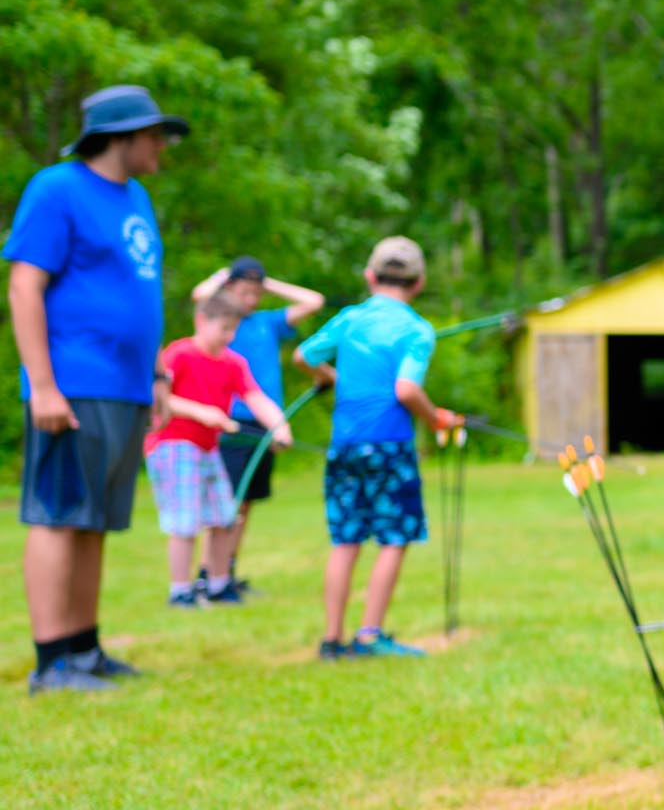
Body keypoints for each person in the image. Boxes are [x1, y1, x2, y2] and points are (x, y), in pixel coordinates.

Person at [5, 84, 191, 694]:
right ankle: (51, 661)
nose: (162, 146)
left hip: (127, 389)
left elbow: (141, 298)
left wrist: (159, 375)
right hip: (74, 385)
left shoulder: (136, 198)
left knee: (94, 521)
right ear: (124, 136)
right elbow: (24, 286)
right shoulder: (57, 188)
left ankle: (84, 651)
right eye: (156, 134)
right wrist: (43, 386)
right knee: (59, 517)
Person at [294, 236, 461, 661]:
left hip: (345, 446)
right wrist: (437, 418)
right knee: (392, 538)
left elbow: (303, 356)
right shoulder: (416, 329)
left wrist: (331, 377)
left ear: (370, 277)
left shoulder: (350, 320)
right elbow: (406, 390)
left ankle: (332, 640)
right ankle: (369, 636)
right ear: (418, 283)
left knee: (346, 539)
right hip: (389, 447)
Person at [189, 256, 326, 599]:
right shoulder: (223, 324)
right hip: (230, 419)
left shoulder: (268, 322)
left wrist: (267, 283)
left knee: (246, 501)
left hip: (266, 420)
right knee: (227, 501)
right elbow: (198, 296)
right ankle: (208, 574)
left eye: (256, 293)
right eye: (244, 291)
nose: (251, 300)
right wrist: (224, 276)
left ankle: (227, 571)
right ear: (229, 288)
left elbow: (314, 301)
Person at [144, 294, 292, 608]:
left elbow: (255, 397)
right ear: (201, 321)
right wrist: (202, 412)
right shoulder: (180, 354)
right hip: (173, 443)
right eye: (223, 328)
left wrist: (279, 426)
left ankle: (219, 584)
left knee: (225, 517)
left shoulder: (233, 362)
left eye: (233, 329)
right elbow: (161, 398)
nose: (229, 336)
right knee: (185, 521)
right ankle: (181, 591)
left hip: (208, 447)